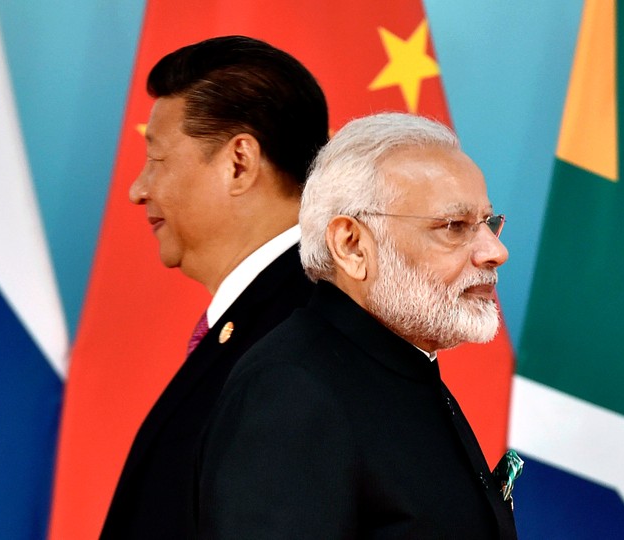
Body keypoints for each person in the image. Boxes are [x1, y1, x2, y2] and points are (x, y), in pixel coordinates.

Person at [195, 112, 519, 538]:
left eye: (487, 223)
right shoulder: (291, 392)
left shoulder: (398, 367)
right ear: (351, 245)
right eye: (454, 226)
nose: (495, 250)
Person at [100, 36, 328, 539]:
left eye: (156, 159)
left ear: (239, 162)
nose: (139, 189)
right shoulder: (277, 320)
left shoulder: (297, 343)